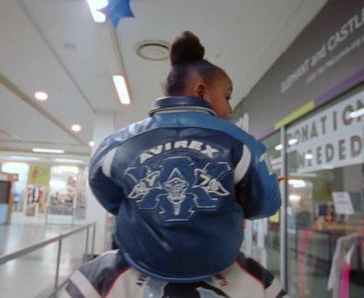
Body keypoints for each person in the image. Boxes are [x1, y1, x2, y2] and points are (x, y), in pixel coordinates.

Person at [62, 31, 285, 297]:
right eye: (227, 96)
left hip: (135, 263)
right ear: (201, 92)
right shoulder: (241, 144)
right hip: (219, 265)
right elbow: (266, 205)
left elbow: (109, 196)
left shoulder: (116, 144)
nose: (229, 108)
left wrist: (142, 206)